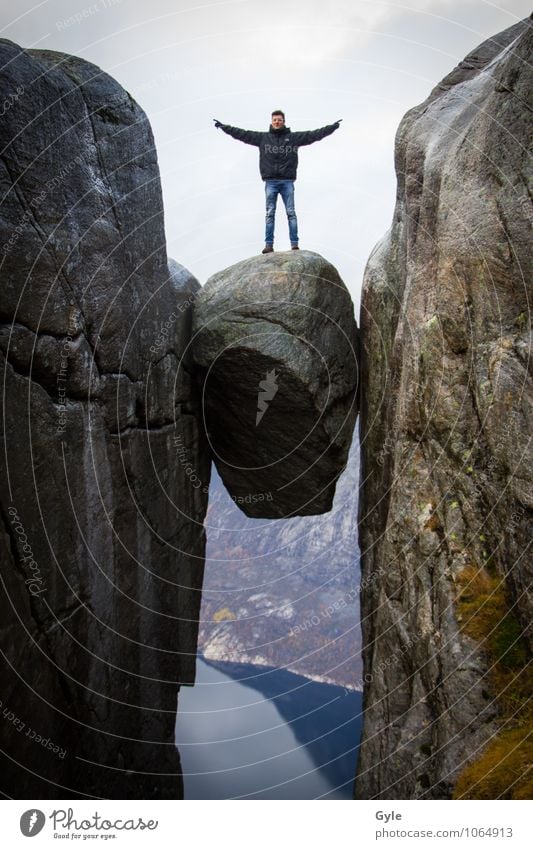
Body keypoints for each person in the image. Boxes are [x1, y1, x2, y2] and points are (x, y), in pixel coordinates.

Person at [213, 110, 342, 254]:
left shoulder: (293, 138)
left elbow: (314, 135)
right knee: (270, 214)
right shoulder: (263, 138)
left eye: (279, 120)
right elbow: (242, 134)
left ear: (284, 121)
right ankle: (269, 245)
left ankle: (294, 244)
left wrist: (332, 127)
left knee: (291, 213)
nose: (277, 122)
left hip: (287, 181)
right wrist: (224, 127)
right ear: (271, 121)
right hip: (271, 182)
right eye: (275, 120)